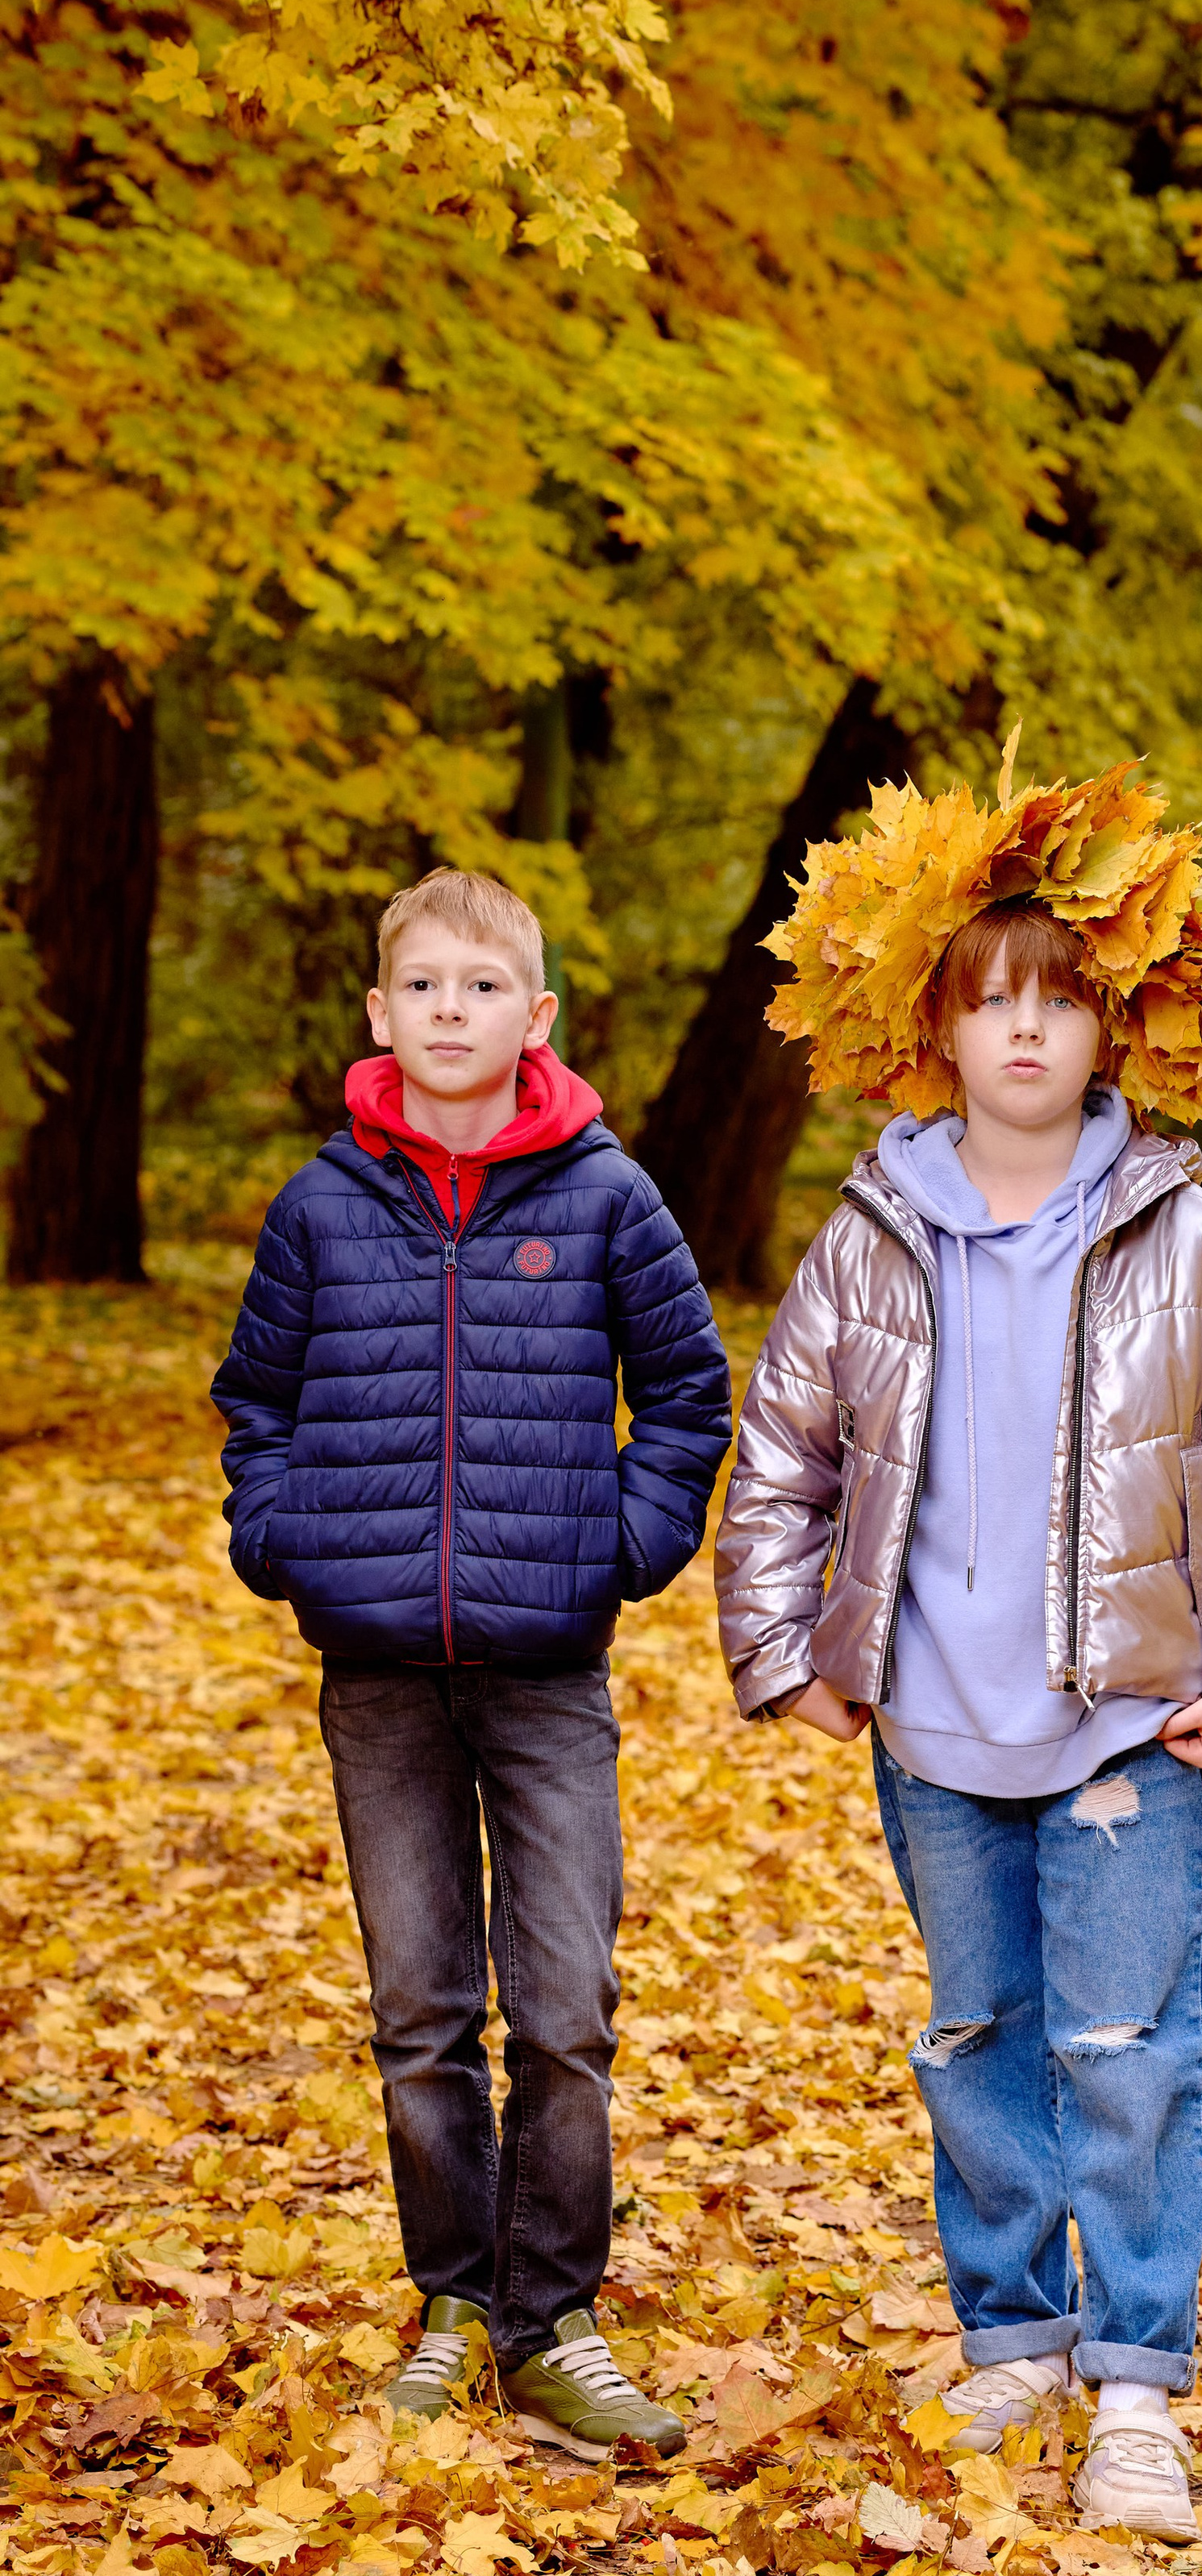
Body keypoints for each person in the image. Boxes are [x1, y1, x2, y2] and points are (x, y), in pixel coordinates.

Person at [715, 754, 1202, 2542]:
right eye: (986, 1004)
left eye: (1057, 1001)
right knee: (976, 2035)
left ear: (1107, 1030)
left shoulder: (1173, 1233)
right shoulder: (868, 1240)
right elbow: (782, 1462)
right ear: (933, 1032)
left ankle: (1138, 2379)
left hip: (1125, 1724)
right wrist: (788, 1652)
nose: (1022, 1035)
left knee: (1128, 2046)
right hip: (930, 1724)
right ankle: (1013, 2330)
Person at [212, 869, 732, 2458]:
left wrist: (620, 1547)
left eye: (481, 988)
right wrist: (282, 1539)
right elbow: (258, 1402)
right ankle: (454, 2300)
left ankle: (552, 2317)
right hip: (375, 1674)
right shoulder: (321, 1205)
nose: (451, 1013)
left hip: (546, 1670)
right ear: (380, 1015)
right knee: (421, 2004)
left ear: (537, 1017)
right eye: (422, 988)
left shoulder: (602, 1197)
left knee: (563, 2003)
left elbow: (689, 1393)